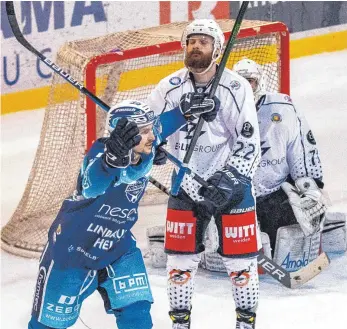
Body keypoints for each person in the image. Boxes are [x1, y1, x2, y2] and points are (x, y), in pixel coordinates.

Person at [27, 99, 218, 329]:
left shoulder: (144, 141)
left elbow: (162, 126)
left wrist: (183, 111)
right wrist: (110, 163)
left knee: (137, 314)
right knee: (48, 324)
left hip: (118, 244)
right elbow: (92, 186)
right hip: (73, 248)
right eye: (145, 131)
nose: (152, 135)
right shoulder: (99, 153)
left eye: (150, 129)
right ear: (127, 136)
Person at [147, 19, 261, 329]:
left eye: (203, 42)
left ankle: (245, 324)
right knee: (179, 265)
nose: (196, 46)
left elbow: (250, 145)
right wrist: (155, 148)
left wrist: (232, 179)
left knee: (240, 266)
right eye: (191, 41)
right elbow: (149, 134)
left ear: (217, 49)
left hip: (230, 186)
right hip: (185, 185)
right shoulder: (168, 88)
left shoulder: (236, 87)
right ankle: (180, 324)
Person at [233, 58, 328, 263]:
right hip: (236, 197)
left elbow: (301, 147)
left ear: (260, 83)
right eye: (241, 83)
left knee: (287, 231)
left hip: (273, 195)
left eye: (251, 81)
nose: (247, 88)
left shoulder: (283, 107)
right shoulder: (222, 110)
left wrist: (310, 185)